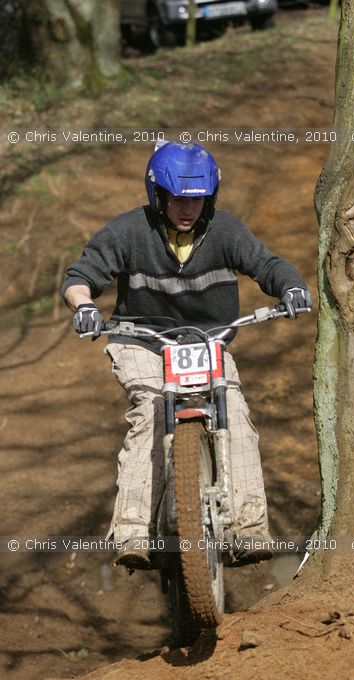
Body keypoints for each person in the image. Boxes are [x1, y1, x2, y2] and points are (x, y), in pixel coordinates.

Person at [61, 141, 312, 571]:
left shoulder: (226, 231)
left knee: (235, 411)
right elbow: (80, 277)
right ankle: (133, 532)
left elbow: (268, 265)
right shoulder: (128, 231)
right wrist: (83, 306)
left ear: (209, 197)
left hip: (208, 341)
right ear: (158, 194)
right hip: (140, 341)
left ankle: (248, 528)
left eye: (196, 199)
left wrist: (290, 286)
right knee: (153, 412)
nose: (187, 209)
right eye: (178, 198)